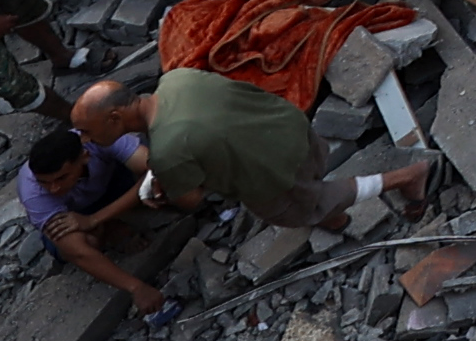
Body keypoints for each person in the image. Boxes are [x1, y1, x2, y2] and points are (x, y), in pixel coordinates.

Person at [70, 70, 432, 238]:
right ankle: (327, 212)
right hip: (291, 127)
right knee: (310, 179)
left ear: (115, 118)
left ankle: (405, 178)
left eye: (86, 130)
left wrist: (162, 189)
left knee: (304, 206)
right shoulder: (176, 79)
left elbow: (191, 199)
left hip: (273, 172)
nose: (84, 140)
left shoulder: (167, 151)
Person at [18, 124, 174, 312]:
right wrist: (136, 288)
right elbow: (77, 250)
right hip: (76, 212)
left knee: (168, 181)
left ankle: (114, 219)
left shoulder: (98, 137)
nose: (53, 189)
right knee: (84, 243)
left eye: (61, 178)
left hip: (114, 183)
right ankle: (110, 228)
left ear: (85, 157)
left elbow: (154, 169)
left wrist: (95, 219)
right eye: (44, 182)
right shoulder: (31, 190)